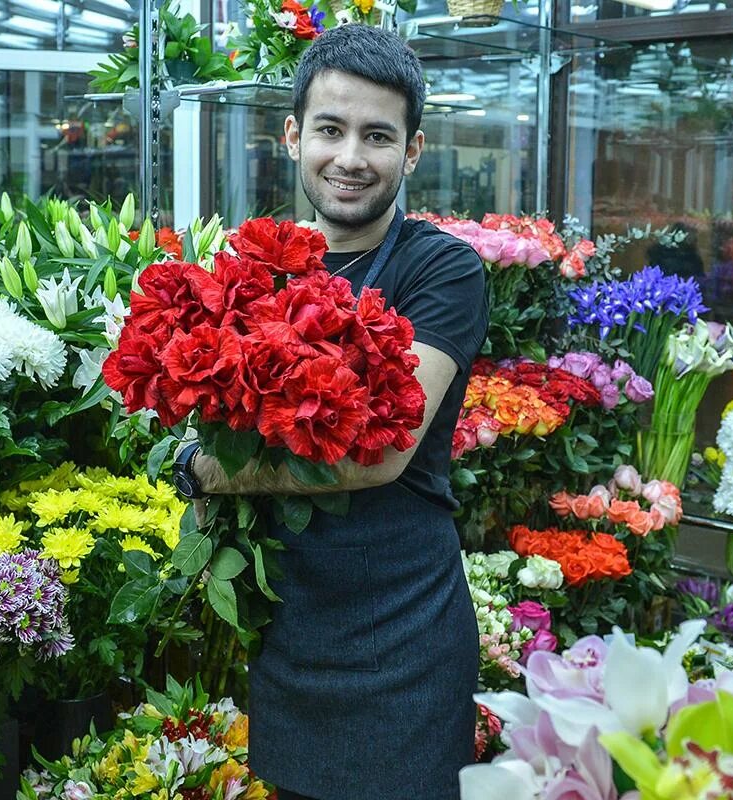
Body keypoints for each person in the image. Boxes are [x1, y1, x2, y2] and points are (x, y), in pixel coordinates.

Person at [171, 24, 488, 800]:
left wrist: (201, 471)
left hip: (402, 632)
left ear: (412, 151)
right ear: (293, 136)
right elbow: (200, 406)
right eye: (331, 129)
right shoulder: (258, 269)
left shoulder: (440, 268)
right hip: (292, 625)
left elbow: (378, 455)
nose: (350, 157)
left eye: (378, 135)